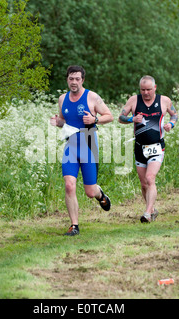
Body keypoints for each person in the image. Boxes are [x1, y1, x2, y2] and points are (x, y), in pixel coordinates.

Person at [50, 65, 114, 236]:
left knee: (89, 191)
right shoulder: (62, 99)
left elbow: (110, 116)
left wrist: (95, 119)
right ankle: (74, 226)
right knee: (69, 185)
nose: (74, 82)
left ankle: (100, 195)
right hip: (70, 147)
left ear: (82, 80)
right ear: (67, 79)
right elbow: (64, 121)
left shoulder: (92, 97)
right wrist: (58, 122)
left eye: (77, 79)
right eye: (71, 78)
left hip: (89, 145)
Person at [118, 75, 178, 223]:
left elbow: (174, 114)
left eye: (149, 90)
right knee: (144, 183)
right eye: (143, 90)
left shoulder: (164, 101)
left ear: (155, 88)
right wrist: (132, 119)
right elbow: (120, 117)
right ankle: (152, 209)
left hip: (157, 146)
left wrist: (171, 124)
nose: (146, 93)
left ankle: (146, 214)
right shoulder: (134, 100)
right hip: (139, 147)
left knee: (150, 178)